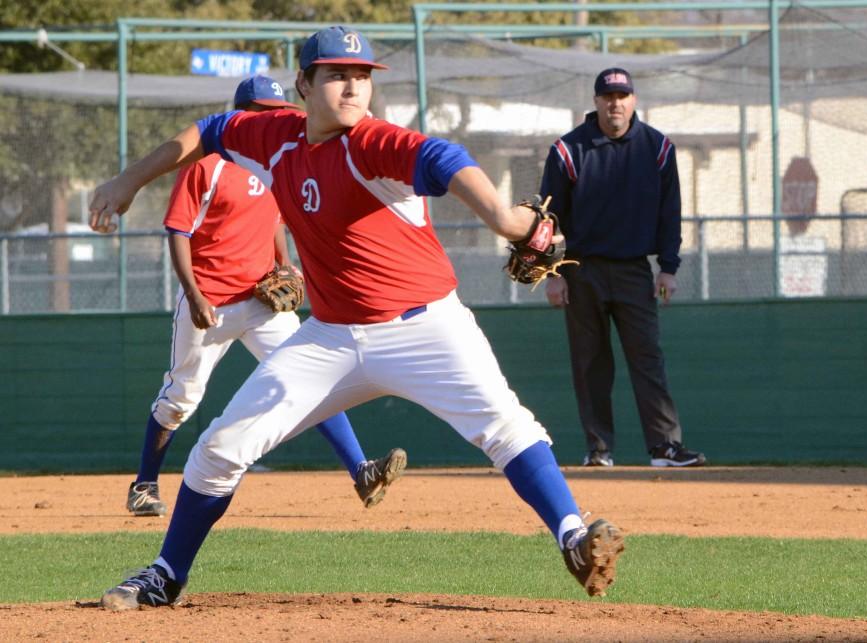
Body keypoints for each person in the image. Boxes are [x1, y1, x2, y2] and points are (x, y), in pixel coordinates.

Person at [89, 26, 624, 610]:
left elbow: (443, 158)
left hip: (426, 329)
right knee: (219, 448)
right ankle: (166, 573)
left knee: (506, 426)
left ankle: (573, 537)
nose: (353, 87)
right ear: (303, 83)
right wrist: (127, 181)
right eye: (338, 74)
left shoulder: (372, 143)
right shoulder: (275, 136)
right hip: (332, 337)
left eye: (363, 75)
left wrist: (502, 216)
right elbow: (208, 132)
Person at [126, 74, 406, 518]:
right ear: (239, 116)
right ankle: (144, 485)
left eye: (277, 113)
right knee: (181, 397)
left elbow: (276, 216)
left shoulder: (276, 161)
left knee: (309, 379)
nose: (272, 121)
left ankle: (361, 471)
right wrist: (194, 295)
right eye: (262, 113)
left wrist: (284, 261)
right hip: (211, 301)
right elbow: (178, 232)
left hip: (262, 300)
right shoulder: (206, 164)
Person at [539, 67, 706, 469]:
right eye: (608, 97)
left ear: (634, 100)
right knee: (591, 362)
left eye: (623, 96)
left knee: (647, 358)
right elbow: (547, 218)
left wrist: (668, 268)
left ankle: (665, 447)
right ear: (595, 102)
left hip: (634, 268)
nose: (615, 103)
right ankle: (599, 450)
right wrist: (553, 272)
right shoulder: (568, 150)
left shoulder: (657, 148)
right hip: (581, 271)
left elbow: (671, 213)